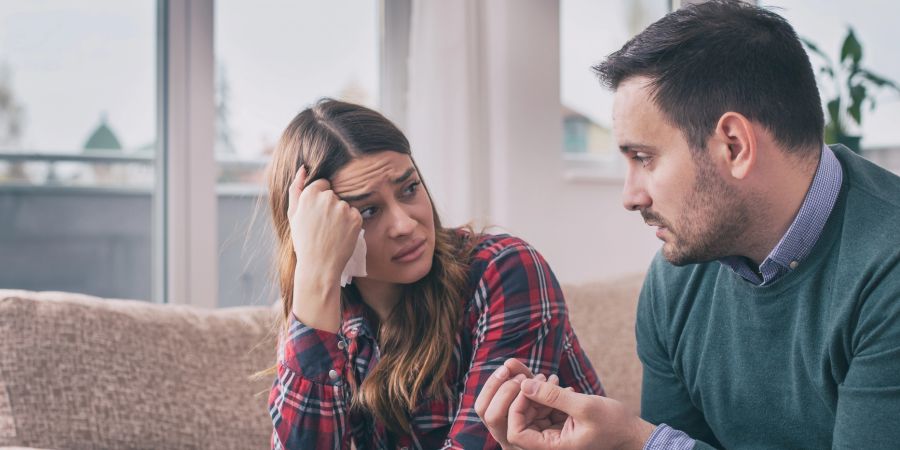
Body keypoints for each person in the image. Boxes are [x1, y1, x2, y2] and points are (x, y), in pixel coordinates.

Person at [477, 1, 900, 448]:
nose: (630, 197)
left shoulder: (887, 271)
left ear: (734, 147)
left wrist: (637, 442)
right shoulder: (675, 282)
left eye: (644, 158)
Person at [265, 99, 602, 449]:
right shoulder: (317, 314)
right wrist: (315, 277)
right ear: (321, 230)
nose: (405, 224)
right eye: (368, 211)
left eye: (409, 188)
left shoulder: (505, 270)